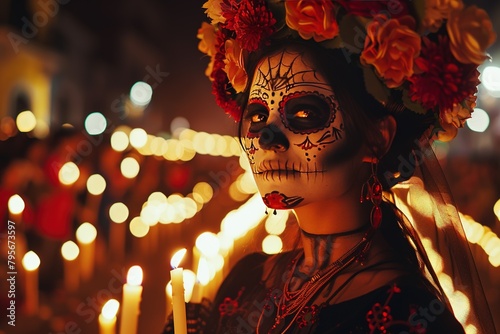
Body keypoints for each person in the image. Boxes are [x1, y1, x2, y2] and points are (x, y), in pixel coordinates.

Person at [165, 1, 497, 333]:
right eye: (257, 116)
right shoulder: (248, 279)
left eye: (304, 113)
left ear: (376, 139)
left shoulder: (411, 317)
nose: (267, 138)